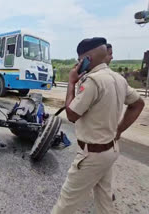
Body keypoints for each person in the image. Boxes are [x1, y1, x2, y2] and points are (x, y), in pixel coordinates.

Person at [52, 37, 144, 214]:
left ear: (88, 58)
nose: (79, 63)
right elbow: (138, 104)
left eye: (80, 60)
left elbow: (71, 114)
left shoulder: (93, 81)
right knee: (104, 199)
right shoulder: (119, 79)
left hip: (92, 155)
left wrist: (71, 83)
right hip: (110, 150)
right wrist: (119, 130)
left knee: (66, 203)